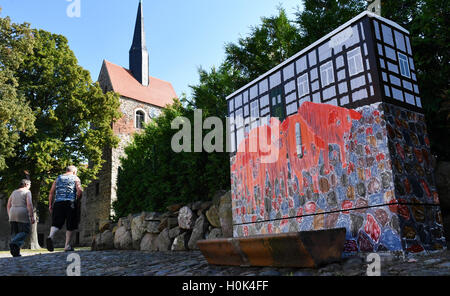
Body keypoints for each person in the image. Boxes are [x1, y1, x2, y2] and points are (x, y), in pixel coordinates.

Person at [47, 165, 83, 252]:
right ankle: (67, 245)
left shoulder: (58, 178)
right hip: (70, 203)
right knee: (71, 224)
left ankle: (50, 236)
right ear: (74, 172)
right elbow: (79, 190)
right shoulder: (76, 178)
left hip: (58, 203)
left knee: (56, 223)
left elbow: (51, 192)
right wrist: (78, 199)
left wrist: (50, 205)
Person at [7, 179, 35, 257]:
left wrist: (10, 215)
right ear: (26, 184)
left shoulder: (14, 192)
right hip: (22, 212)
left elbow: (8, 205)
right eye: (30, 184)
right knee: (25, 231)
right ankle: (14, 243)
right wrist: (32, 216)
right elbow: (29, 204)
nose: (30, 186)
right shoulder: (27, 192)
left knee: (16, 233)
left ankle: (16, 253)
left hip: (12, 212)